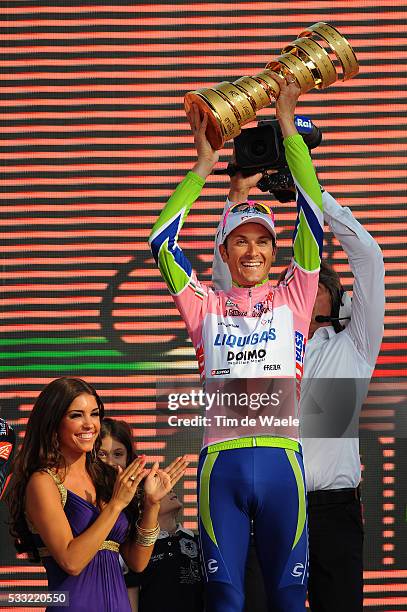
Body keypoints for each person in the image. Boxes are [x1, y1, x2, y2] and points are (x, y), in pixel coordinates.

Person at [149, 77, 324, 612]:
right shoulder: (203, 305)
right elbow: (161, 240)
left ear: (275, 251)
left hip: (282, 467)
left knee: (290, 599)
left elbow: (313, 214)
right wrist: (203, 165)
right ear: (223, 253)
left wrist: (289, 125)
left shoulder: (295, 295)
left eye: (262, 242)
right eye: (239, 241)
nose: (252, 250)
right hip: (219, 467)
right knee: (223, 598)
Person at [214, 184, 385, 611]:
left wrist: (312, 192)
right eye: (295, 287)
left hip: (331, 509)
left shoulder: (355, 347)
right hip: (266, 500)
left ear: (337, 300)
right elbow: (226, 281)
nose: (303, 293)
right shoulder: (251, 334)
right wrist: (236, 197)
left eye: (314, 288)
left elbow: (370, 259)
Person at [6, 377, 188, 612]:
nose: (89, 424)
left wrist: (151, 505)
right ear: (53, 422)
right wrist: (115, 506)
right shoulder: (43, 482)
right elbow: (71, 562)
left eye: (94, 414)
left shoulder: (105, 478)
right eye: (76, 415)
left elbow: (137, 562)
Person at [125, 489, 204, 612]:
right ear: (142, 505)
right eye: (163, 491)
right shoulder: (138, 550)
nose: (171, 491)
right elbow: (131, 595)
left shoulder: (198, 542)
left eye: (171, 489)